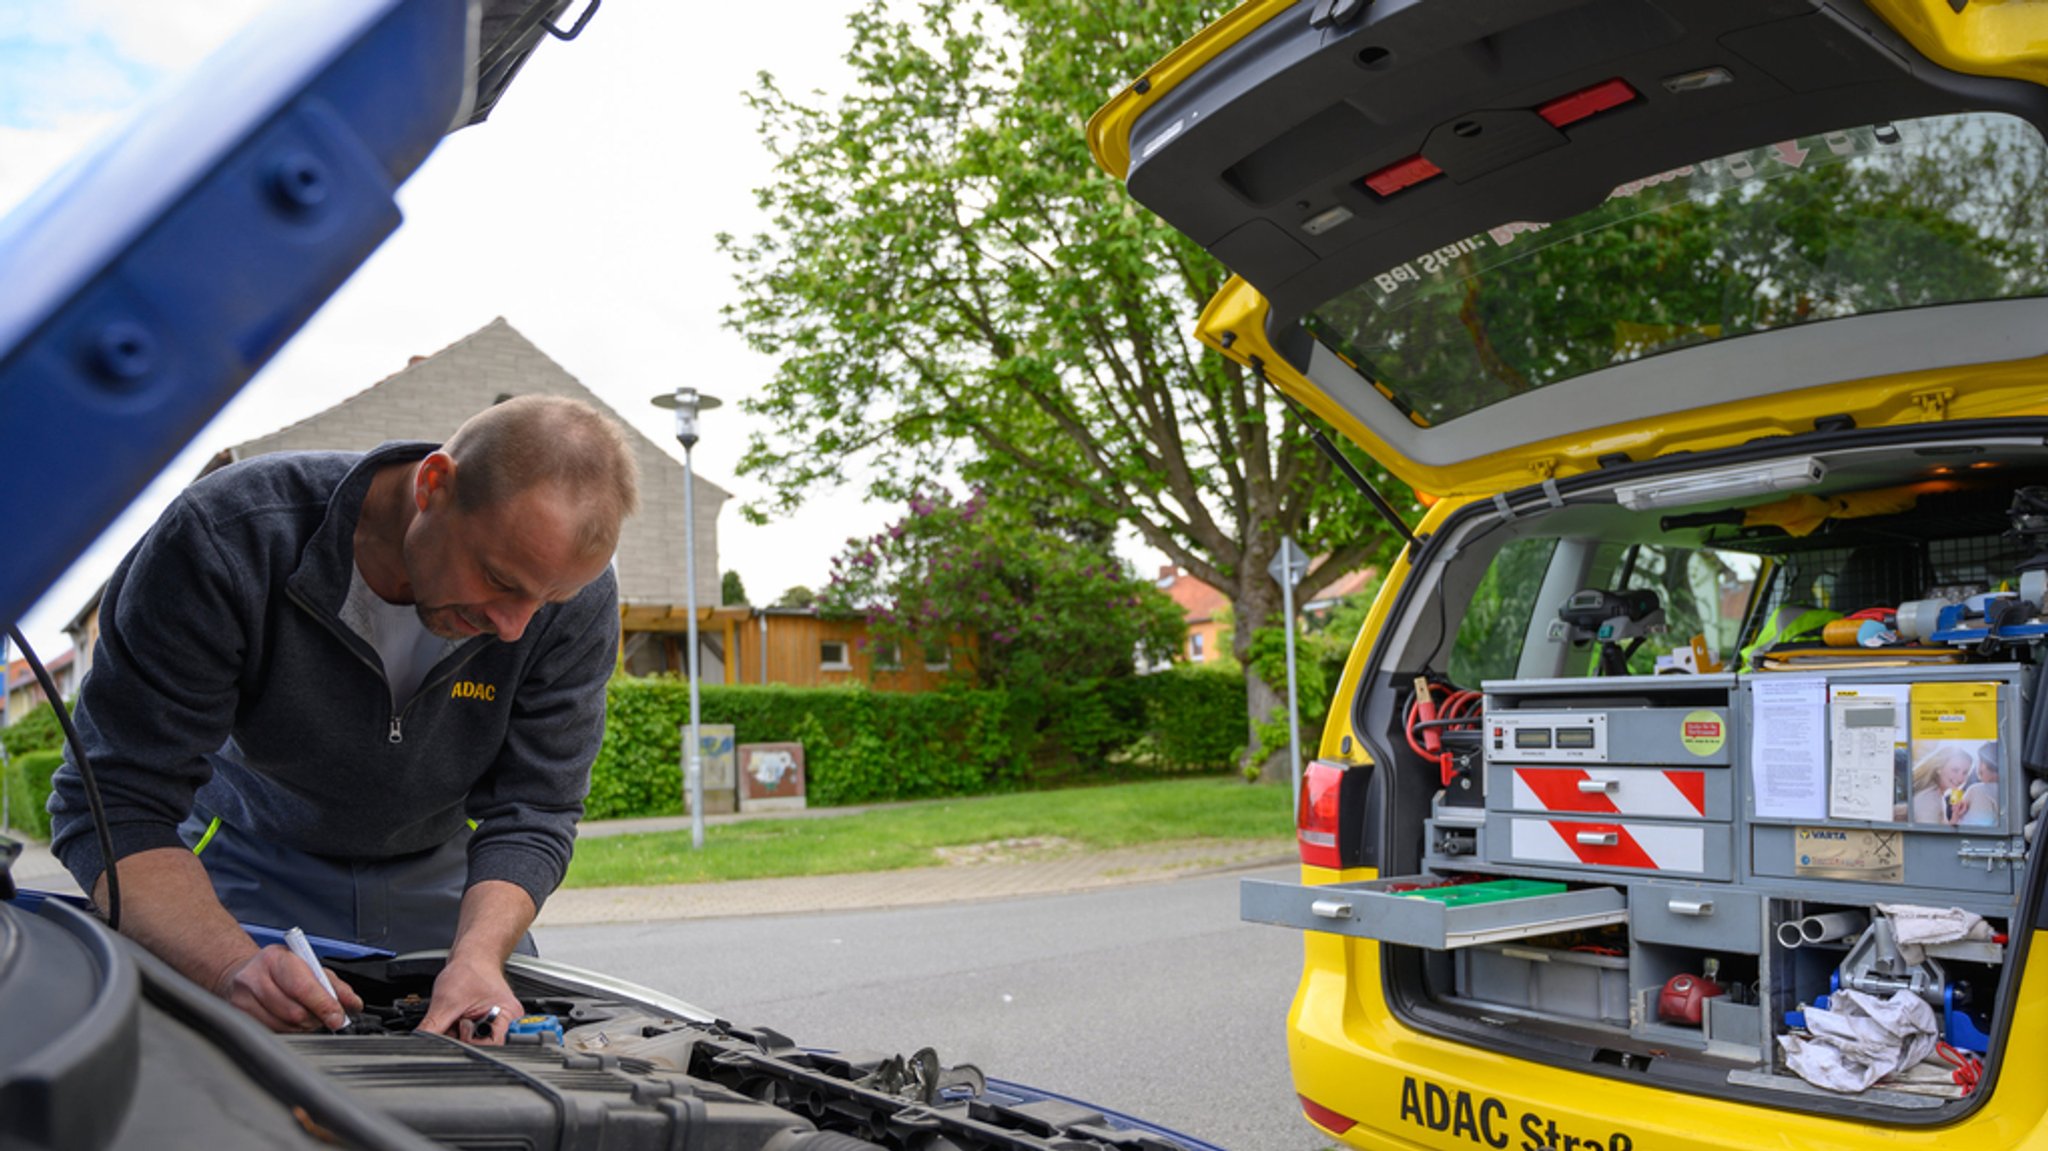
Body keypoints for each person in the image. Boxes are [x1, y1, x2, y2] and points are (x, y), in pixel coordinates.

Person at [46, 395, 638, 1042]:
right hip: (248, 857)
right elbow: (113, 805)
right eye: (498, 578)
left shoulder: (573, 602)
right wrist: (229, 963)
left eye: (547, 599)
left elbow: (535, 808)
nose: (514, 626)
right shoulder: (230, 538)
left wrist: (478, 955)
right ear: (435, 484)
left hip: (443, 870)